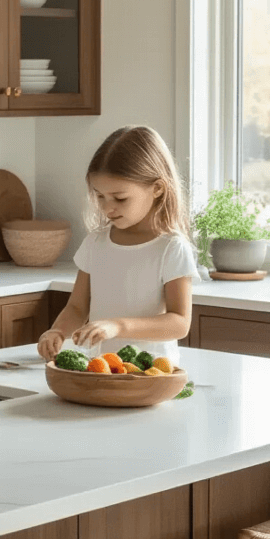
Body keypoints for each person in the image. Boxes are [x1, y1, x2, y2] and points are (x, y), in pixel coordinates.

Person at [37, 125, 199, 366]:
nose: (107, 207)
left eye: (120, 198)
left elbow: (178, 323)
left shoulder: (171, 248)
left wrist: (118, 326)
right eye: (99, 196)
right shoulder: (96, 243)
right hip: (102, 368)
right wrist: (58, 331)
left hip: (151, 373)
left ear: (157, 188)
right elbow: (77, 307)